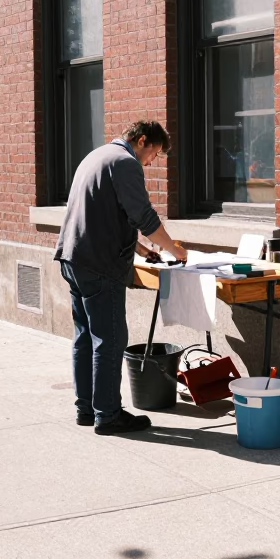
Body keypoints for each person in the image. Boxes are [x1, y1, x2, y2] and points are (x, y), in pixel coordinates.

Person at [54, 120, 188, 435]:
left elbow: (102, 212)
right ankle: (109, 415)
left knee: (86, 336)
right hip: (100, 265)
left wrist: (140, 249)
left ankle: (86, 409)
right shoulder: (126, 162)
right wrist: (173, 250)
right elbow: (143, 215)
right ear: (141, 140)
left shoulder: (96, 156)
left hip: (73, 258)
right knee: (110, 340)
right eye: (153, 153)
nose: (151, 161)